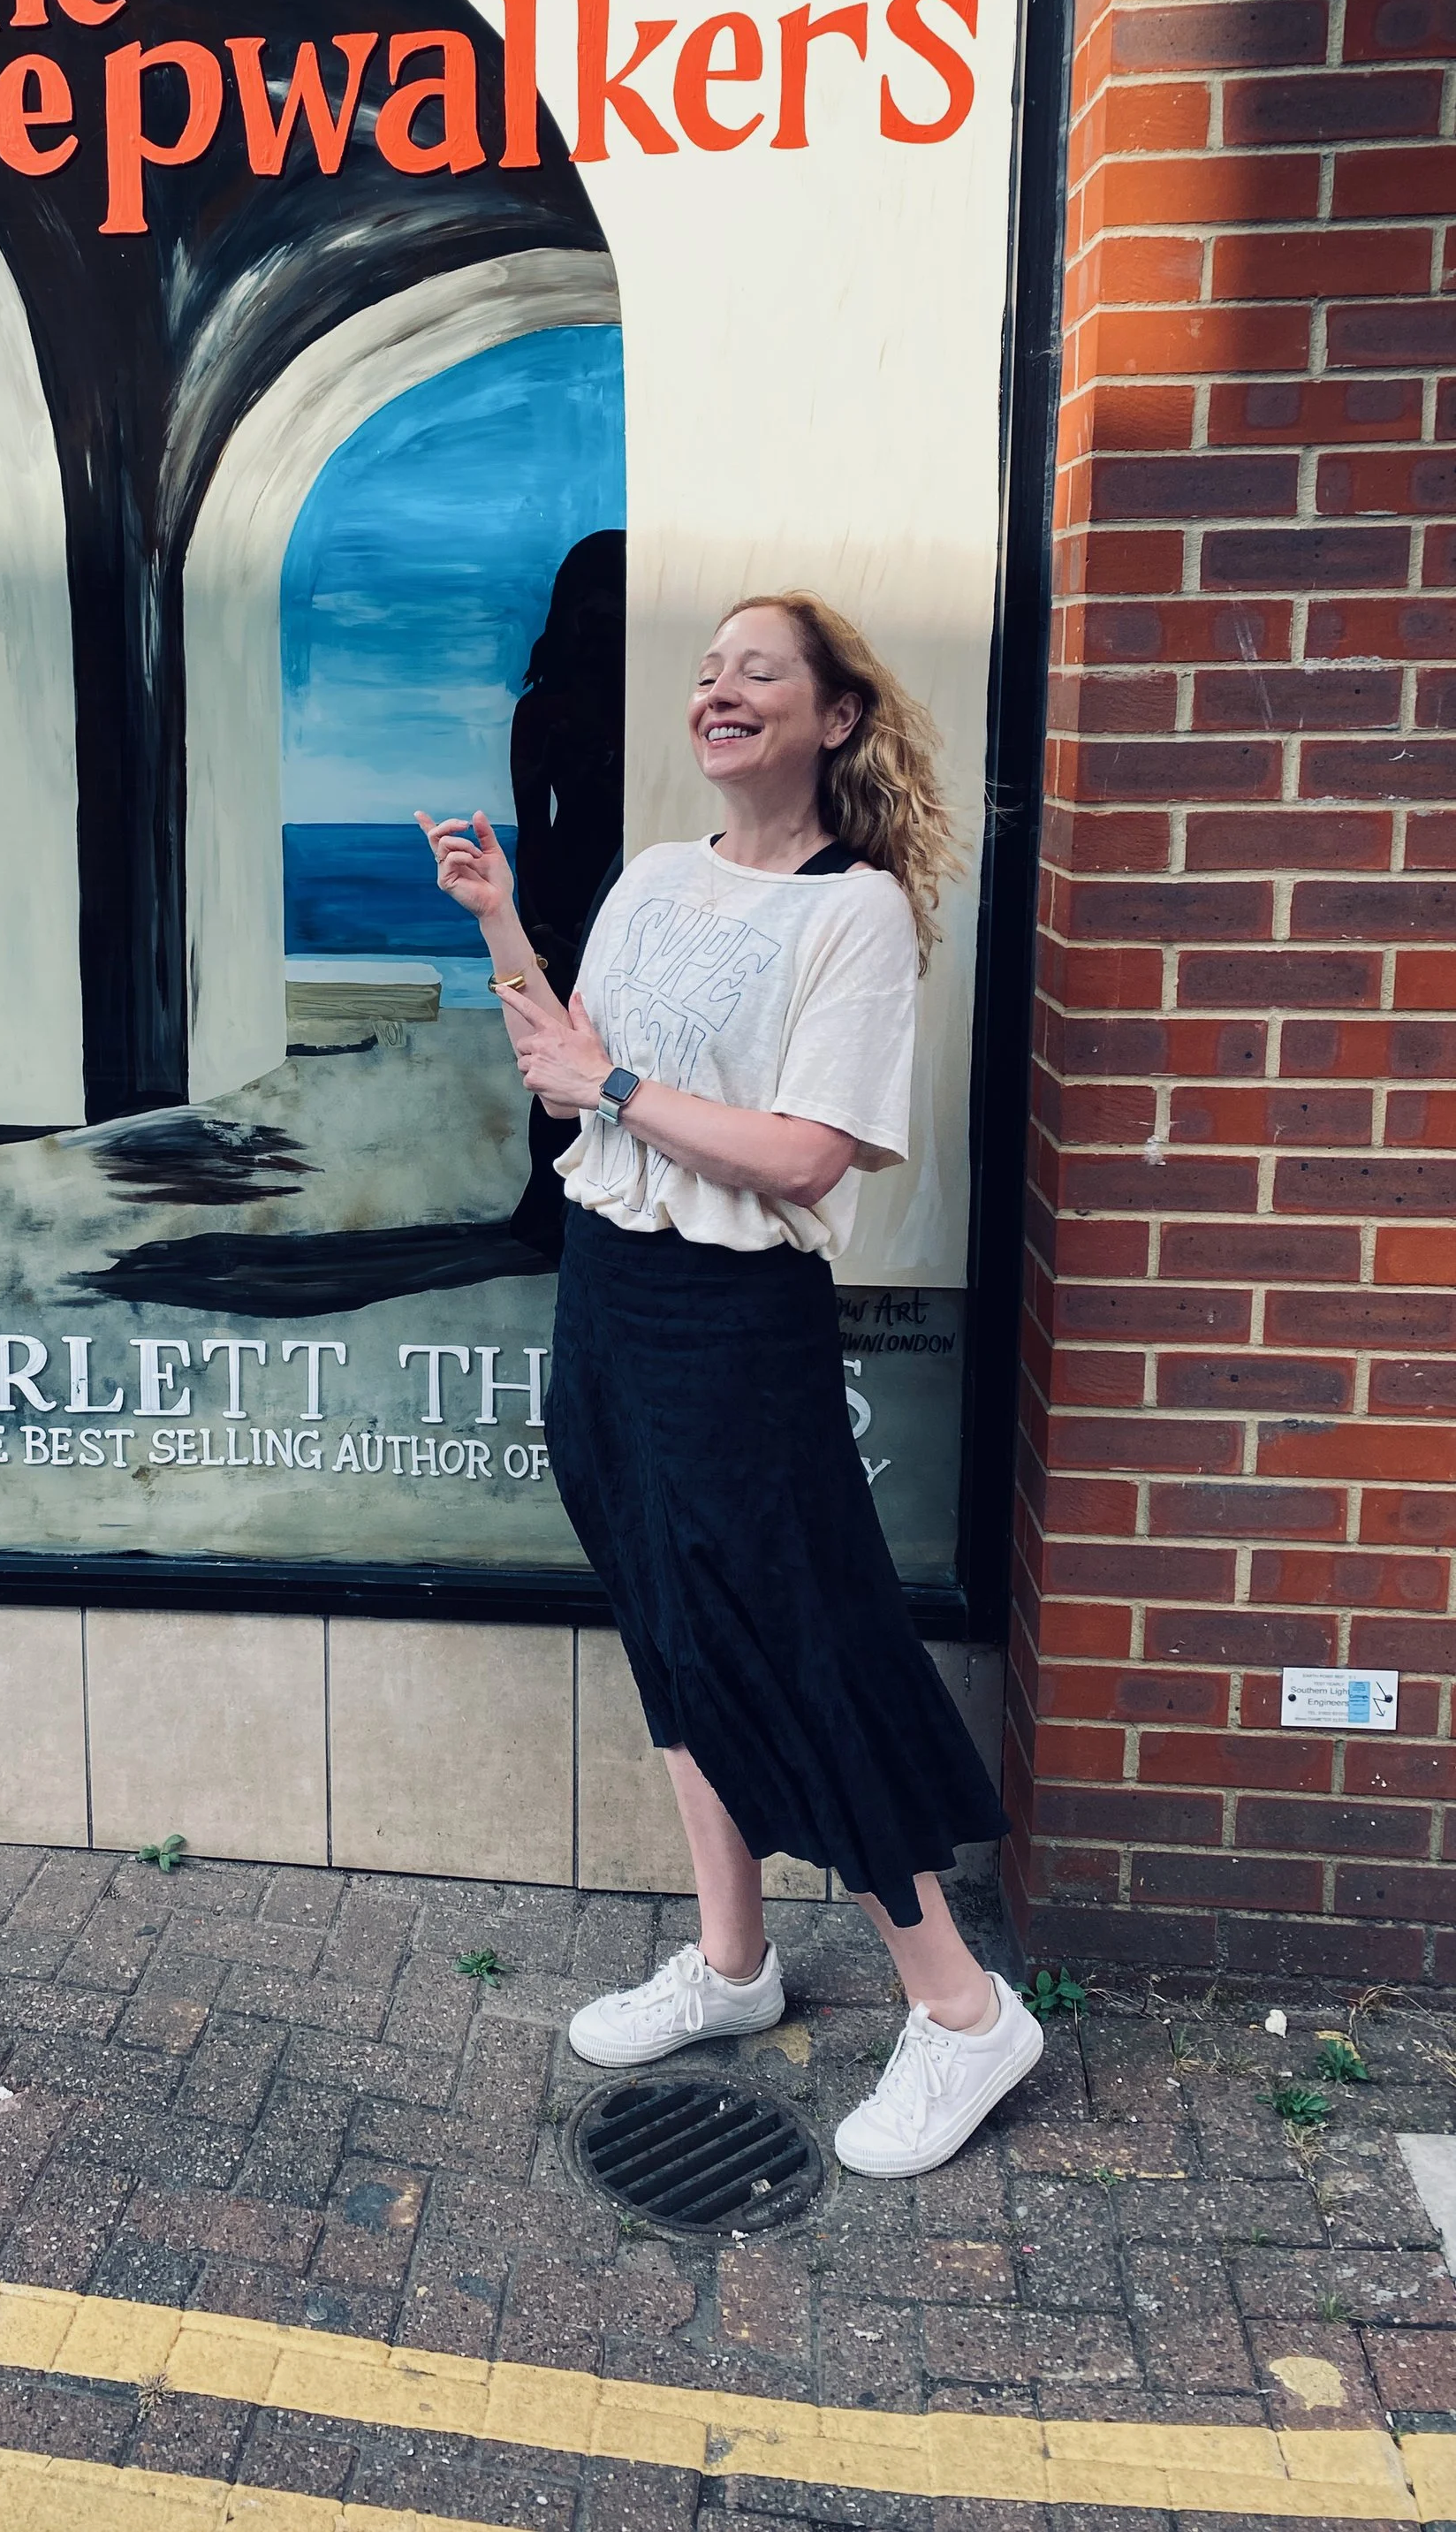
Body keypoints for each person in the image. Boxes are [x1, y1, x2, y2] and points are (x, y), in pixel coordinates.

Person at [416, 593, 1036, 2180]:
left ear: (836, 716)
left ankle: (963, 2009)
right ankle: (734, 1959)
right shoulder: (650, 876)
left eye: (760, 670)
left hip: (735, 1316)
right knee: (672, 1626)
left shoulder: (856, 913)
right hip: (608, 1290)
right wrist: (499, 922)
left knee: (798, 1637)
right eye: (709, 672)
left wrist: (614, 1082)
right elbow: (564, 1071)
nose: (720, 689)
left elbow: (808, 1152)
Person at [507, 532, 626, 1258]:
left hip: (631, 884)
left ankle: (587, 1197)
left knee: (610, 1048)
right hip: (572, 891)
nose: (603, 615)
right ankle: (546, 1199)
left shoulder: (647, 704)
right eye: (593, 599)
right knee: (556, 1048)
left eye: (616, 599)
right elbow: (532, 828)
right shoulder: (544, 712)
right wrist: (537, 923)